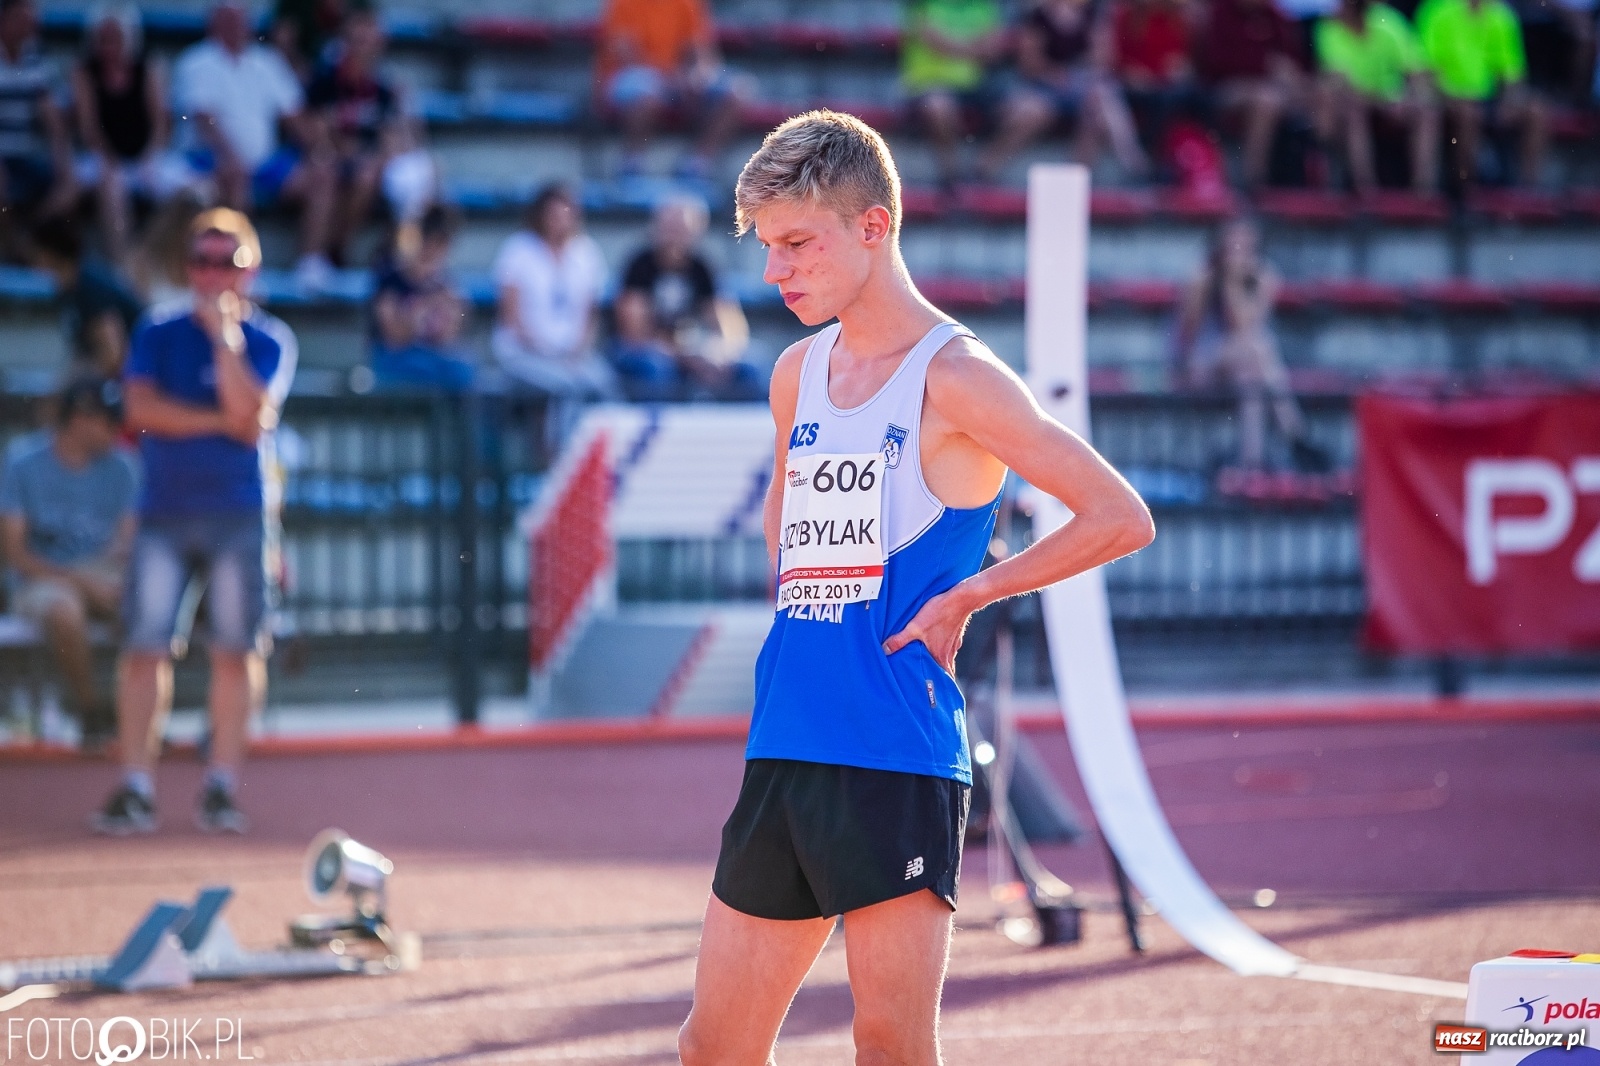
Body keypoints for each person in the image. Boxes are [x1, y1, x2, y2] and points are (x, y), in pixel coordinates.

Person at [677, 110, 1154, 1066]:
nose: (776, 272)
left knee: (890, 1045)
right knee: (711, 1048)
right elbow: (787, 536)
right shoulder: (795, 373)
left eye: (797, 244)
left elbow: (1119, 515)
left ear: (874, 227)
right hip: (786, 742)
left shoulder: (959, 376)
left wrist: (973, 590)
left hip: (895, 754)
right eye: (768, 248)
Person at [93, 208, 296, 836]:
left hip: (238, 512)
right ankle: (134, 785)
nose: (213, 276)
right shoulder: (155, 330)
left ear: (251, 270)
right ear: (188, 268)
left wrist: (225, 342)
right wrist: (221, 423)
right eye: (203, 262)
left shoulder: (268, 340)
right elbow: (142, 411)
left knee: (236, 651)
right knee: (145, 647)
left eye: (228, 263)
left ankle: (220, 786)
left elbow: (254, 416)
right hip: (164, 510)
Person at [0, 377, 137, 750]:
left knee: (144, 605)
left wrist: (98, 579)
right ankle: (91, 710)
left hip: (102, 571)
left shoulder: (122, 468)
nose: (116, 430)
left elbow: (127, 542)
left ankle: (138, 717)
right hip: (40, 575)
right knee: (63, 611)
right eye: (108, 421)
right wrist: (81, 581)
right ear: (79, 420)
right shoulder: (23, 463)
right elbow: (14, 553)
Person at [172, 2, 340, 291]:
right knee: (235, 176)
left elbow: (294, 116)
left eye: (241, 20)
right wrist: (230, 157)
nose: (237, 27)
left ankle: (311, 263)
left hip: (265, 165)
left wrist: (321, 149)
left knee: (322, 174)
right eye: (229, 20)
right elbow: (203, 120)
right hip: (208, 162)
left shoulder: (267, 61)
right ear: (215, 22)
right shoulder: (196, 61)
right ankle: (242, 267)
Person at [1175, 217, 1327, 471]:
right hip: (1200, 363)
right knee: (1259, 347)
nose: (1239, 248)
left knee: (1250, 375)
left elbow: (1246, 323)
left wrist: (1236, 283)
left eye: (1245, 242)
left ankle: (1251, 463)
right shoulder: (1202, 277)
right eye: (1234, 241)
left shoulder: (1266, 275)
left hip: (1243, 362)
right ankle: (1295, 432)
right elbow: (1187, 333)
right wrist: (1229, 281)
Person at [70, 4, 193, 268]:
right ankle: (122, 264)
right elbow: (89, 128)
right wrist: (109, 162)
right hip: (102, 158)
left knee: (196, 191)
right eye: (103, 39)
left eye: (115, 38)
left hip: (145, 157)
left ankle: (154, 256)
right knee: (111, 187)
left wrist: (149, 159)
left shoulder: (147, 69)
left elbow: (160, 124)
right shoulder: (84, 72)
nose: (109, 46)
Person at [977, 0, 1150, 182]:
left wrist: (1092, 53)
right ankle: (985, 169)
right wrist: (1057, 76)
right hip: (1040, 85)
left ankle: (1085, 176)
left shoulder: (1092, 15)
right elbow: (1029, 65)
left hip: (1078, 87)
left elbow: (1103, 61)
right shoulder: (1038, 16)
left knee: (1099, 105)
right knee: (1035, 112)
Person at [615, 194, 761, 402]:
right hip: (647, 349)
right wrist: (686, 357)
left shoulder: (702, 267)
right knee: (656, 368)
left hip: (691, 347)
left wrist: (719, 350)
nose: (674, 236)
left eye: (681, 228)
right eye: (670, 227)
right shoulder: (640, 266)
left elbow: (730, 324)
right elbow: (635, 333)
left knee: (749, 367)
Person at [594, 0, 747, 180]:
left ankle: (697, 163)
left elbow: (701, 51)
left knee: (736, 92)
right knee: (645, 92)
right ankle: (632, 163)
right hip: (631, 74)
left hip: (675, 78)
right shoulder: (623, 3)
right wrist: (672, 77)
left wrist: (697, 76)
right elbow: (625, 53)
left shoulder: (687, 3)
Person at [305, 9, 409, 266]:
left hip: (366, 162)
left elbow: (394, 136)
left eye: (369, 42)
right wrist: (343, 149)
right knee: (330, 170)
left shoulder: (384, 88)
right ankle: (319, 254)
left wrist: (378, 155)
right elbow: (314, 129)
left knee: (377, 174)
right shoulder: (326, 80)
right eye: (357, 41)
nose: (363, 49)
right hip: (325, 156)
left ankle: (340, 248)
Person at [490, 183, 614, 398]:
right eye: (553, 214)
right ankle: (560, 433)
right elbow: (511, 317)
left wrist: (577, 351)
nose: (560, 221)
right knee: (565, 387)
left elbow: (590, 314)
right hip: (525, 353)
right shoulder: (518, 250)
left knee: (605, 383)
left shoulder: (586, 251)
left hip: (573, 356)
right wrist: (547, 351)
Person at [1415, 0, 1548, 186]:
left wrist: (1509, 100)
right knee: (1469, 112)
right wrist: (1449, 96)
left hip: (1487, 98)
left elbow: (1512, 74)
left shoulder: (1501, 15)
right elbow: (1425, 70)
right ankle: (1466, 188)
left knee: (1536, 111)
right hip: (1447, 97)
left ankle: (1528, 188)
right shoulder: (1437, 11)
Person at [1314, 0, 1441, 193]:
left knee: (1427, 112)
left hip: (1391, 99)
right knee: (1353, 110)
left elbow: (1416, 71)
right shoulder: (1329, 28)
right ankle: (1366, 191)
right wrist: (1379, 101)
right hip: (1355, 103)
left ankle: (1424, 191)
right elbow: (1338, 81)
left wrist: (1410, 97)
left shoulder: (1388, 22)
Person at [1195, 0, 1311, 187]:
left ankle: (1323, 186)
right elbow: (1216, 64)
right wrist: (1264, 65)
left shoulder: (1274, 15)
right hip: (1225, 87)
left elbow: (1292, 58)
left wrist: (1289, 71)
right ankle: (1252, 181)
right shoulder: (1221, 13)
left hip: (1270, 87)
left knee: (1308, 96)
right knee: (1266, 100)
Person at [901, 0, 1008, 190]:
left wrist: (955, 46)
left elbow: (993, 49)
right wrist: (973, 48)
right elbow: (933, 40)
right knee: (938, 106)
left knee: (1028, 108)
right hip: (928, 82)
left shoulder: (982, 6)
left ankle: (983, 169)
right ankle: (951, 174)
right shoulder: (922, 5)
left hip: (976, 85)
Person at [370, 204, 474, 392]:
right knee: (426, 371)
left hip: (433, 356)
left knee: (463, 370)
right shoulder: (390, 281)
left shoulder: (444, 283)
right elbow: (393, 337)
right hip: (395, 358)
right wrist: (424, 306)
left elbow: (449, 335)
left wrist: (451, 312)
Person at [0, 0, 77, 253]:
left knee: (71, 185)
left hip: (26, 157)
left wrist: (62, 161)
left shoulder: (37, 57)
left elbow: (53, 118)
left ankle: (24, 243)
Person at [29, 215, 145, 379]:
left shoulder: (89, 286)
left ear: (47, 254)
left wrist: (72, 380)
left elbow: (114, 357)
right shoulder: (72, 285)